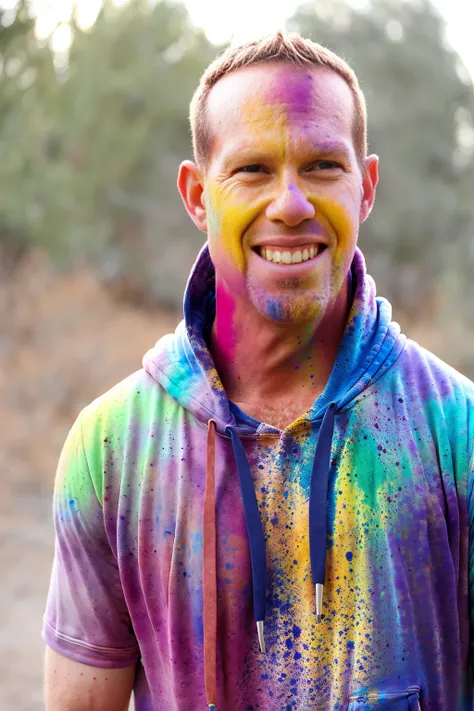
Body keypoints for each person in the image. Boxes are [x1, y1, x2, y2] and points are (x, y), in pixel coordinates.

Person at [42, 31, 474, 711]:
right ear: (197, 195)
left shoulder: (458, 433)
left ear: (366, 187)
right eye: (252, 170)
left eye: (324, 165)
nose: (292, 204)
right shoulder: (112, 449)